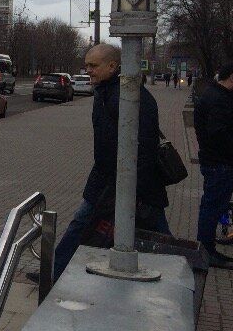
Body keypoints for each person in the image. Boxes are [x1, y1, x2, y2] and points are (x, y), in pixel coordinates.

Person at [27, 43, 170, 284]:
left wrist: (134, 186)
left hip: (132, 182)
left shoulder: (130, 96)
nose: (88, 71)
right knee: (81, 224)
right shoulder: (105, 92)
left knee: (158, 232)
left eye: (93, 66)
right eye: (86, 66)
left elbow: (146, 145)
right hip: (107, 178)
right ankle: (53, 272)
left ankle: (185, 269)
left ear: (112, 66)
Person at [193, 61, 233, 269]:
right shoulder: (219, 100)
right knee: (212, 208)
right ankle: (206, 252)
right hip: (220, 163)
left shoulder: (215, 95)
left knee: (212, 207)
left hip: (216, 161)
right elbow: (218, 133)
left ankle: (207, 250)